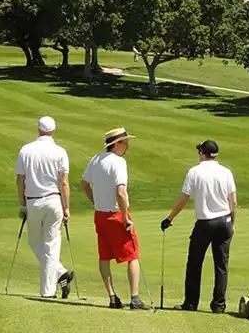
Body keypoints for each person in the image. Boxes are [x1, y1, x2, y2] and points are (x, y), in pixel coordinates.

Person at [161, 139, 237, 313]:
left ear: (202, 154)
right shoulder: (226, 172)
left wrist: (169, 218)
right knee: (221, 266)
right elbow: (233, 202)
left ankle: (191, 303)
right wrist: (232, 224)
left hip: (205, 224)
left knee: (195, 263)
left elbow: (183, 200)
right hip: (224, 221)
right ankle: (218, 305)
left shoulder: (195, 171)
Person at [81, 127, 150, 310]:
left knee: (104, 256)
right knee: (132, 254)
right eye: (125, 143)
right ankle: (135, 297)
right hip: (116, 214)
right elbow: (121, 193)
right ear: (116, 144)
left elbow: (84, 184)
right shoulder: (118, 163)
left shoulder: (95, 160)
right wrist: (126, 216)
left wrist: (95, 200)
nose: (127, 146)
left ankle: (112, 296)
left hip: (100, 215)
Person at [14, 115, 74, 299]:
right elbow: (63, 182)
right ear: (53, 130)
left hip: (33, 201)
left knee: (35, 242)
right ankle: (59, 274)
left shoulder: (26, 150)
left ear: (38, 129)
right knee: (51, 245)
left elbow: (20, 180)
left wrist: (22, 204)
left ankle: (48, 291)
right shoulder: (60, 151)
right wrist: (66, 207)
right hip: (54, 200)